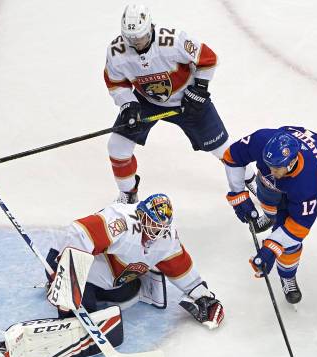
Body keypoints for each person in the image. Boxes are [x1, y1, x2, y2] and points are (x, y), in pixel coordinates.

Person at [0, 193, 223, 357]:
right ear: (142, 215)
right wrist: (68, 278)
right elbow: (78, 232)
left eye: (162, 227)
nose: (157, 232)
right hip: (71, 261)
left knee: (123, 297)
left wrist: (202, 295)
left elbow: (179, 264)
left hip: (114, 278)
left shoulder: (166, 237)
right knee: (76, 309)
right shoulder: (120, 221)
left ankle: (83, 296)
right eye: (153, 224)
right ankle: (65, 305)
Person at [104, 4, 258, 206]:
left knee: (223, 149)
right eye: (131, 38)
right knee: (117, 146)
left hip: (188, 101)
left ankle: (252, 179)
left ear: (150, 27)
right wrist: (128, 104)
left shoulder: (173, 41)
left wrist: (200, 90)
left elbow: (208, 58)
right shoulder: (116, 53)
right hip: (147, 102)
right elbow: (116, 83)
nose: (136, 42)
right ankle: (128, 195)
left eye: (140, 37)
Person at [222, 126, 317, 304]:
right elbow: (232, 156)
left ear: (292, 161)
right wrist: (238, 194)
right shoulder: (262, 140)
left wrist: (272, 247)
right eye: (268, 164)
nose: (271, 171)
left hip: (298, 193)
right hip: (275, 185)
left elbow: (299, 226)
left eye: (277, 168)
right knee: (267, 197)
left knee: (289, 243)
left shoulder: (309, 183)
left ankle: (288, 276)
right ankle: (270, 216)